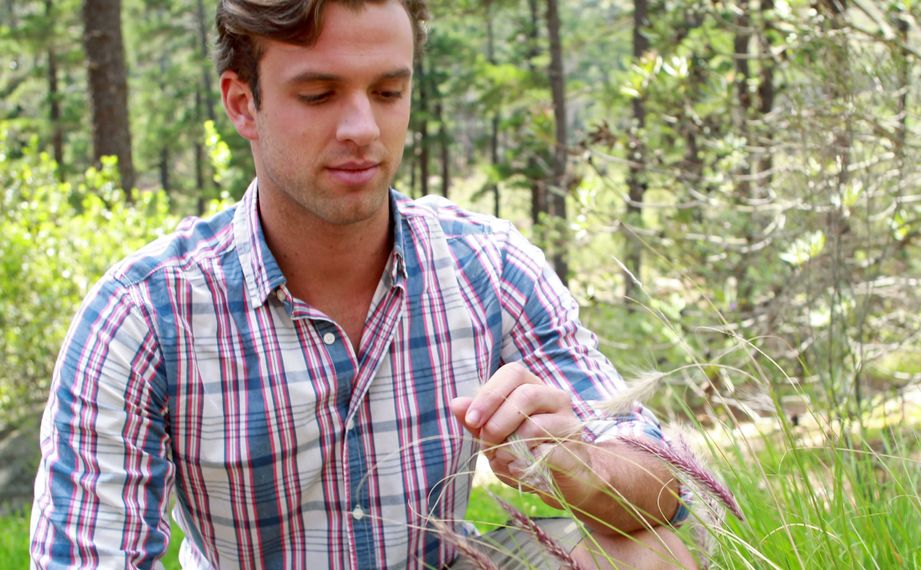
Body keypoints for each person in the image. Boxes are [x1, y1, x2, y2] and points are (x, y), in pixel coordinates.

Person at [30, 1, 697, 568]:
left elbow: (665, 482)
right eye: (318, 95)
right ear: (243, 105)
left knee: (648, 551)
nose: (362, 129)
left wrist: (582, 466)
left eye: (387, 92)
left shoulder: (487, 265)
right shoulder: (144, 314)